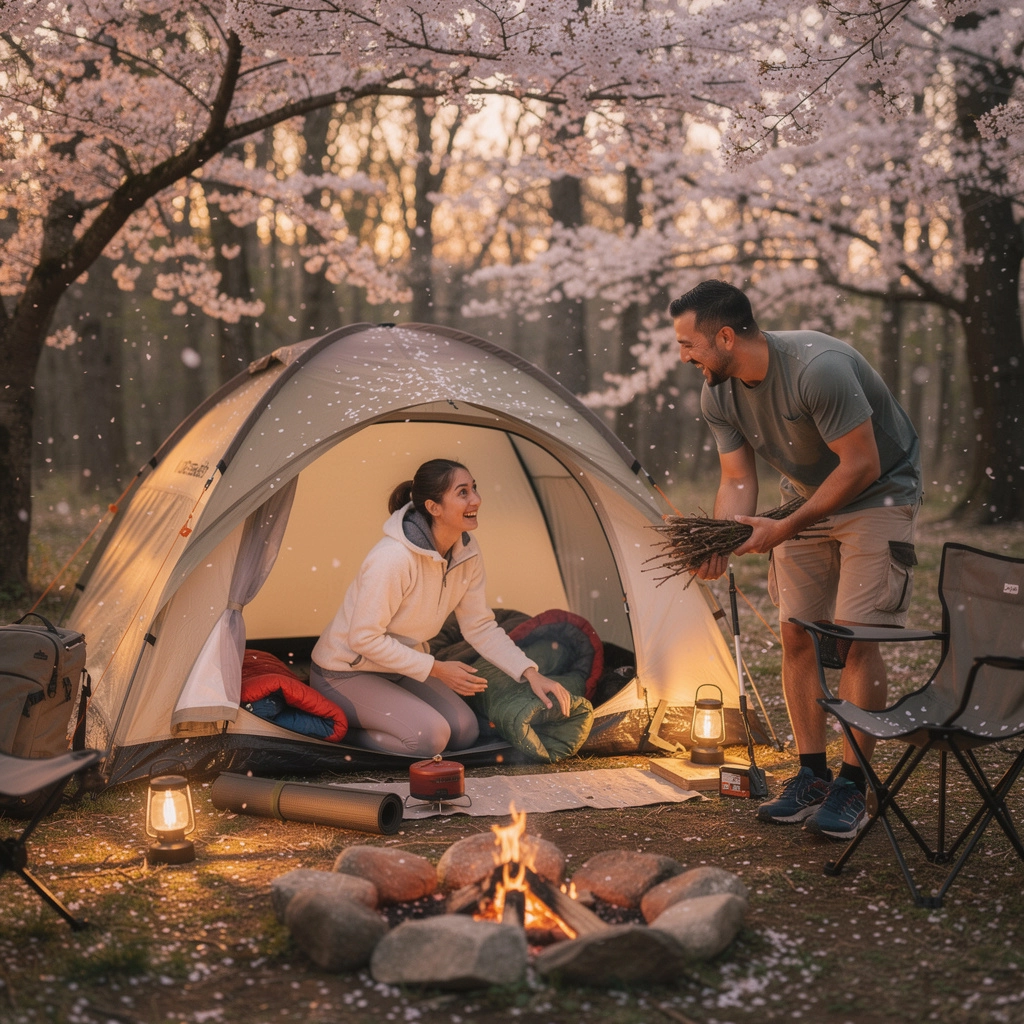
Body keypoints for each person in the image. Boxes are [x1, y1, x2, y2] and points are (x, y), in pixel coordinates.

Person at [669, 280, 922, 839]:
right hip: (805, 495)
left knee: (856, 638)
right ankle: (812, 775)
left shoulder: (817, 370)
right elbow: (737, 479)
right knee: (796, 634)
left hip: (879, 493)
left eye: (688, 344)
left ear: (726, 337)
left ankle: (852, 785)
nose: (683, 356)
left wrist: (785, 527)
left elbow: (860, 464)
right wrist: (719, 542)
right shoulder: (718, 393)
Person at [309, 458, 572, 756]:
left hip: (400, 668)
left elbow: (479, 625)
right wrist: (435, 668)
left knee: (464, 731)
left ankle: (394, 723)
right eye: (463, 492)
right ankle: (336, 733)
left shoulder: (467, 552)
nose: (476, 499)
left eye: (474, 488)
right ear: (434, 507)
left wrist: (530, 673)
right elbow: (363, 638)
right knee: (429, 738)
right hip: (345, 671)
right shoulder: (393, 558)